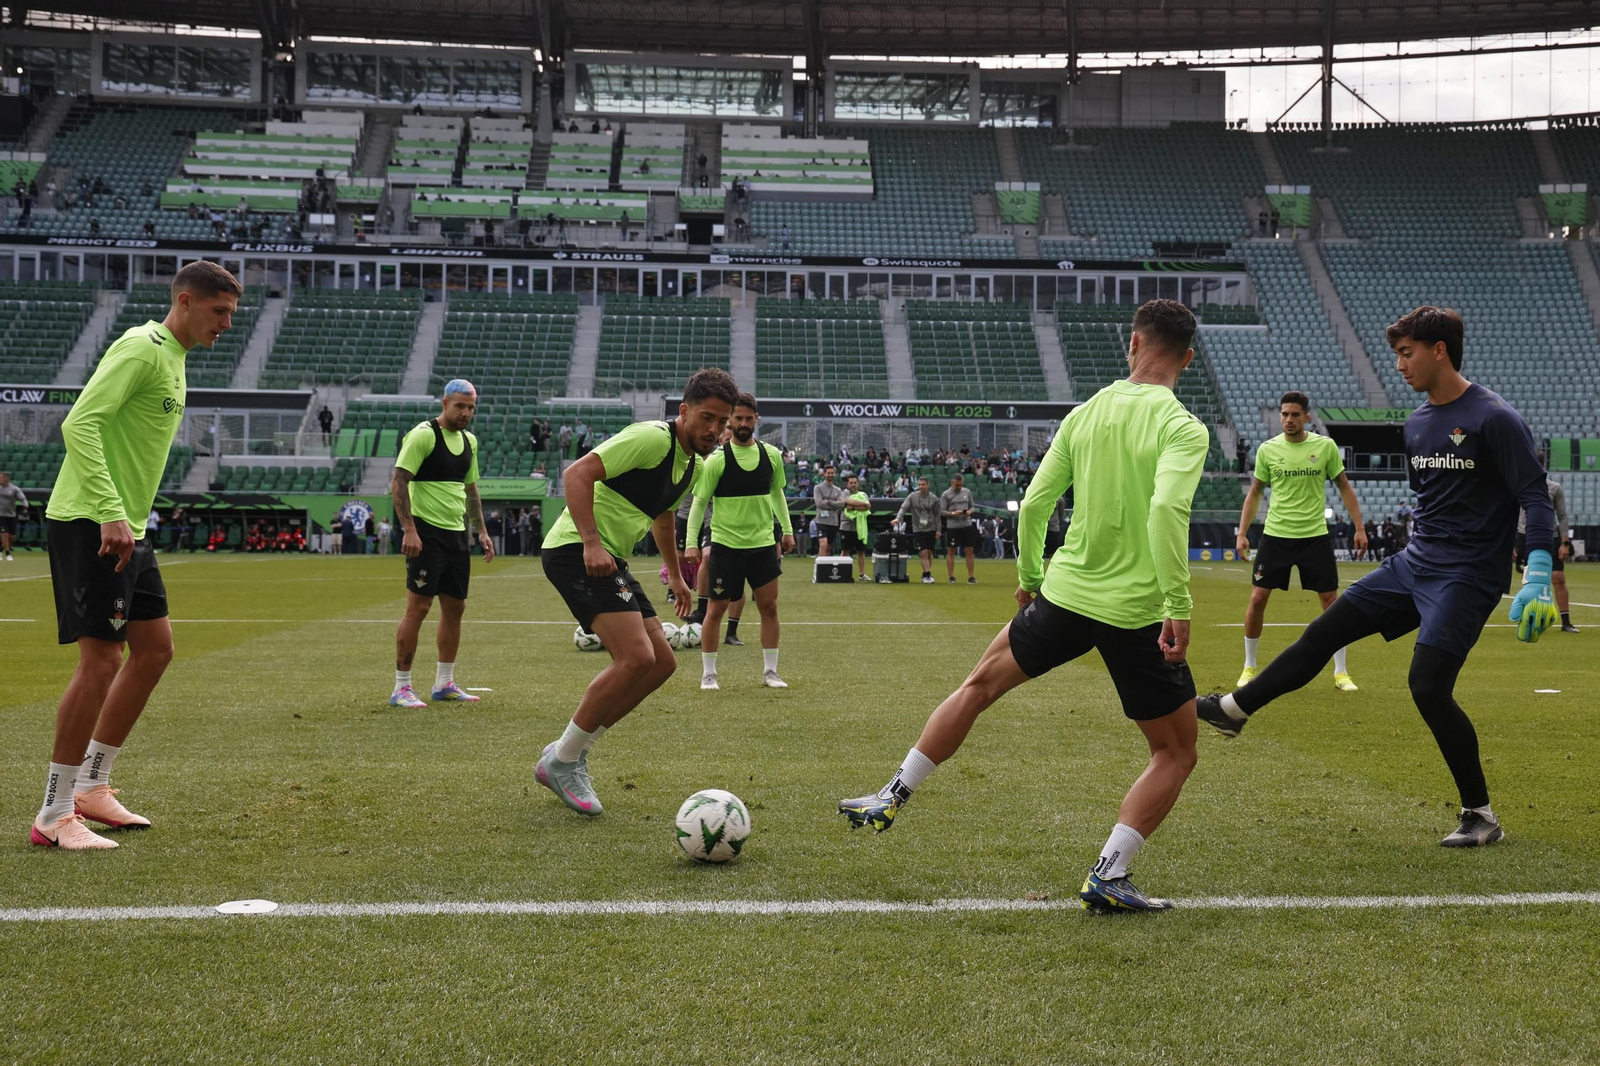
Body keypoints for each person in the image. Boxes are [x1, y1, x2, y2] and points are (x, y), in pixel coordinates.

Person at [838, 299, 1211, 913]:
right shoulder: (1183, 427)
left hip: (1064, 595)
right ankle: (1108, 873)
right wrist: (1178, 604)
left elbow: (1035, 504)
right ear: (1187, 358)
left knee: (977, 686)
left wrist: (1032, 577)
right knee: (1176, 751)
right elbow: (1167, 511)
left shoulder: (1085, 414)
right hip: (1137, 611)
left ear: (1133, 345)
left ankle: (892, 794)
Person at [1198, 307, 1559, 849]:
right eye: (1395, 354)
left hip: (1466, 577)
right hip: (1413, 565)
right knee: (1324, 632)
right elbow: (1430, 502)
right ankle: (1234, 710)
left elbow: (1534, 496)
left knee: (1428, 686)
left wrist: (1535, 572)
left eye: (1406, 352)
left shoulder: (1494, 418)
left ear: (1439, 350)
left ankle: (1480, 814)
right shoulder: (1416, 424)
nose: (1398, 364)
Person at [33, 261, 242, 850]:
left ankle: (93, 786)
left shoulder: (174, 360)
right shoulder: (143, 347)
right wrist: (108, 509)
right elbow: (80, 425)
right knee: (101, 660)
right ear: (185, 300)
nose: (226, 324)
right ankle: (53, 813)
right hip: (92, 521)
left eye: (231, 313)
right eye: (218, 311)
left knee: (154, 651)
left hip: (130, 527)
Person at [535, 368, 738, 816]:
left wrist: (678, 576)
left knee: (661, 663)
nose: (714, 429)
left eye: (722, 422)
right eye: (706, 417)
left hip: (610, 558)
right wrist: (590, 540)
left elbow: (663, 518)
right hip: (577, 550)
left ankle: (573, 748)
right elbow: (576, 474)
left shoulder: (694, 464)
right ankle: (563, 760)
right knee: (636, 659)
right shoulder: (651, 438)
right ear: (683, 412)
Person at [1234, 391, 1368, 692]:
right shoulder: (1268, 450)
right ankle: (1249, 667)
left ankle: (1341, 672)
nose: (1288, 420)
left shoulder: (1324, 447)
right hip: (1276, 536)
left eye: (1295, 414)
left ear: (1307, 417)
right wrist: (1242, 533)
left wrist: (1359, 528)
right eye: (1284, 414)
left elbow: (1344, 487)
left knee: (1332, 604)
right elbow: (1255, 492)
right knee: (1257, 600)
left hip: (1314, 537)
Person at [388, 379, 496, 708]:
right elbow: (399, 481)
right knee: (418, 608)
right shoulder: (423, 435)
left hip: (455, 534)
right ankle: (401, 687)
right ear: (445, 403)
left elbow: (470, 490)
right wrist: (409, 529)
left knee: (455, 608)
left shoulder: (469, 442)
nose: (465, 413)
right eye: (460, 406)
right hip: (425, 533)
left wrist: (481, 530)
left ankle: (444, 683)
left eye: (471, 408)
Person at [685, 394, 795, 691]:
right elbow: (699, 503)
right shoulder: (717, 460)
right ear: (729, 421)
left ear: (756, 418)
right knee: (715, 610)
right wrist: (691, 542)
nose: (743, 423)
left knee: (769, 607)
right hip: (726, 547)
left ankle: (770, 671)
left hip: (762, 546)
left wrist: (787, 530)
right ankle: (709, 673)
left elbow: (778, 495)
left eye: (748, 418)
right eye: (738, 418)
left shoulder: (771, 455)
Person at [1515, 470, 1577, 633]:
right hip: (1525, 535)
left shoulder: (1554, 488)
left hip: (1551, 535)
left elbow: (1562, 516)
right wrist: (1512, 543)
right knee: (1530, 579)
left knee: (1558, 577)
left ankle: (1566, 622)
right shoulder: (1518, 486)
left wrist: (1565, 543)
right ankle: (1529, 619)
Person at [896, 475, 940, 583]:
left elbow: (937, 515)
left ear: (928, 485)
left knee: (929, 553)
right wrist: (898, 518)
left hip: (931, 528)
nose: (921, 487)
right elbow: (904, 507)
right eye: (919, 485)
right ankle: (928, 575)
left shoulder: (934, 498)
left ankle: (925, 574)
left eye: (923, 485)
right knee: (923, 552)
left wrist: (938, 529)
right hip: (918, 528)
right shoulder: (912, 496)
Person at [941, 473, 977, 584]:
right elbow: (942, 511)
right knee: (951, 550)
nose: (959, 487)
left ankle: (971, 576)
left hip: (966, 524)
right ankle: (951, 576)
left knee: (969, 550)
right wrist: (953, 513)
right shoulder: (946, 494)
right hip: (953, 526)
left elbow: (972, 506)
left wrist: (970, 512)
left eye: (961, 485)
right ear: (952, 483)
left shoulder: (967, 492)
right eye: (957, 485)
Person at [812, 464, 847, 556]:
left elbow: (842, 504)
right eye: (828, 473)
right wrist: (835, 503)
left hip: (833, 522)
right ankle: (820, 568)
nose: (830, 475)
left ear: (835, 474)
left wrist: (828, 502)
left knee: (829, 546)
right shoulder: (818, 488)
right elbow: (819, 503)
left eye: (832, 473)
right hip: (821, 521)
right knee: (823, 544)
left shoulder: (838, 490)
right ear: (824, 474)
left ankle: (826, 568)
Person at [842, 475, 871, 580]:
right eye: (851, 483)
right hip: (846, 526)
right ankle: (842, 572)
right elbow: (848, 504)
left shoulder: (863, 494)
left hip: (860, 528)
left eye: (855, 482)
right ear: (847, 484)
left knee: (861, 551)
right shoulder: (844, 493)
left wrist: (854, 507)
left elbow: (867, 508)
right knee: (845, 550)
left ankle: (862, 574)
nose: (853, 485)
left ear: (858, 483)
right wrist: (862, 505)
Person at [0, 472, 28, 559]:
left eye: (1, 477)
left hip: (11, 515)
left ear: (7, 478)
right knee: (5, 534)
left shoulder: (14, 489)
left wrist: (25, 507)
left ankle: (1, 549)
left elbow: (23, 498)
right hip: (1, 515)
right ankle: (8, 554)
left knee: (12, 536)